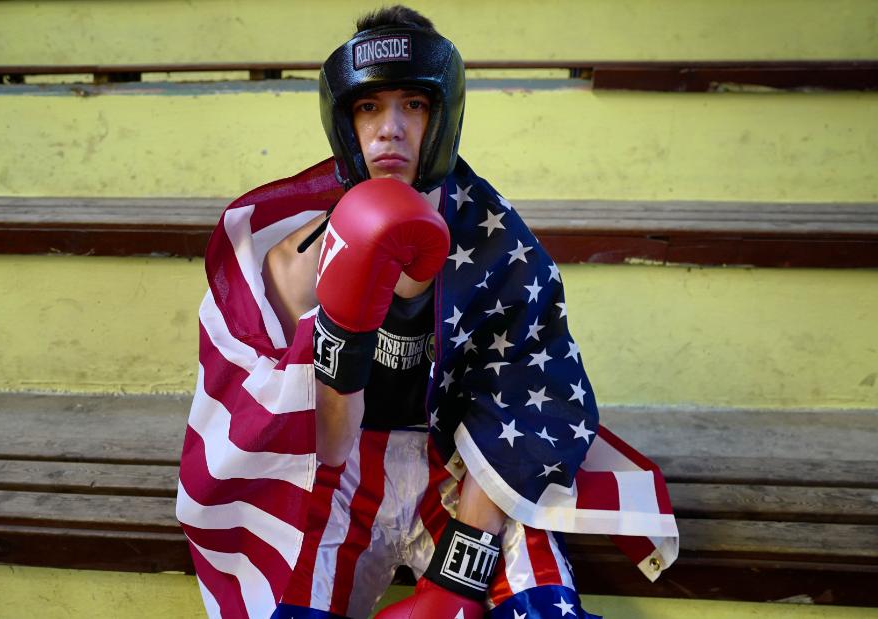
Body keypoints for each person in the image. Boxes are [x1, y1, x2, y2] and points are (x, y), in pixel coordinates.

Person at [177, 7, 678, 619]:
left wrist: (455, 580)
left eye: (412, 104)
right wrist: (343, 322)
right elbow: (318, 445)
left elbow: (521, 403)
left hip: (462, 470)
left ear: (444, 117)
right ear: (345, 122)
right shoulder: (291, 256)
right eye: (369, 107)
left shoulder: (499, 245)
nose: (389, 130)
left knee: (543, 612)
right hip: (341, 472)